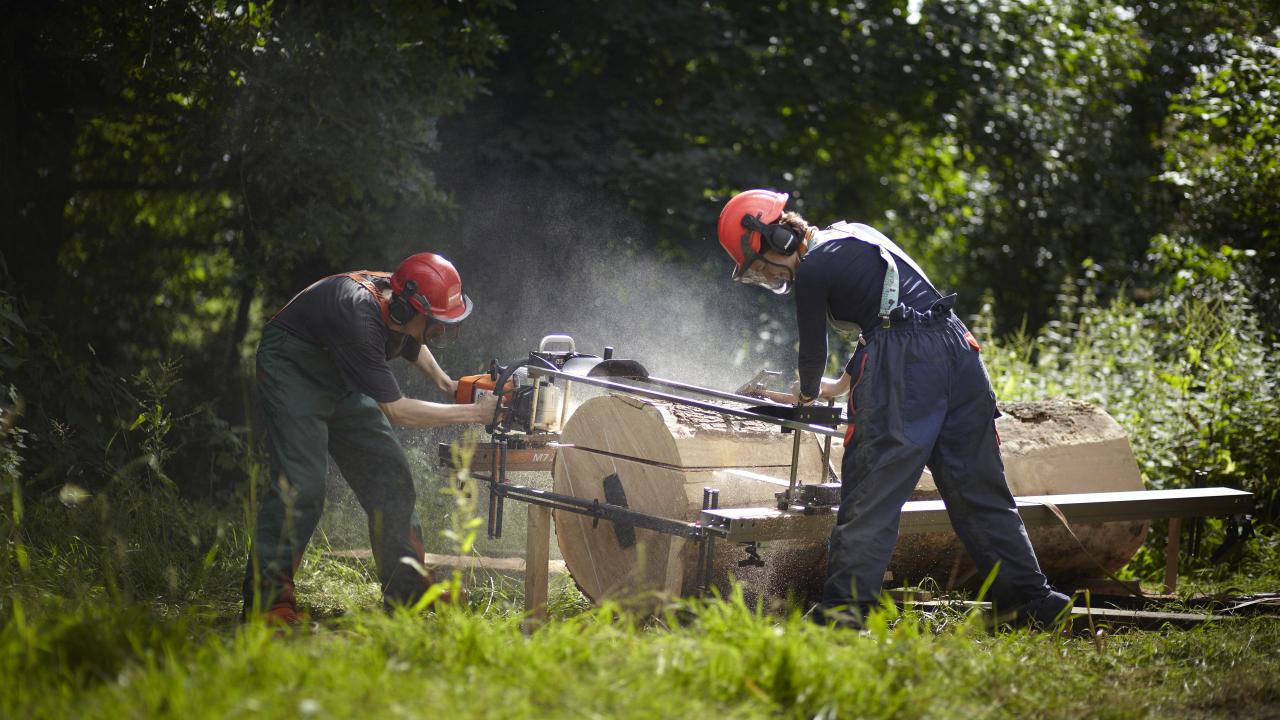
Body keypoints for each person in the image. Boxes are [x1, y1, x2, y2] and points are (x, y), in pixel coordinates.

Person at [717, 189, 1072, 628]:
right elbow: (892, 313)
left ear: (775, 240)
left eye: (761, 267)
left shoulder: (813, 268)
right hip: (957, 351)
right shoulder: (854, 234)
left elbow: (812, 351)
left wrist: (805, 394)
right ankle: (1031, 602)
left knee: (871, 493)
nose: (770, 276)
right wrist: (840, 385)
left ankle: (844, 615)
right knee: (979, 493)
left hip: (907, 367)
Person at [243, 252, 499, 624]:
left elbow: (413, 339)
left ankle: (408, 593)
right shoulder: (360, 318)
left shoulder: (401, 307)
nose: (442, 331)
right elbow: (397, 411)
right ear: (409, 310)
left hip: (340, 373)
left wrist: (447, 384)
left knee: (390, 478)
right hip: (293, 366)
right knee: (302, 486)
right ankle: (267, 605)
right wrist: (475, 413)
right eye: (438, 324)